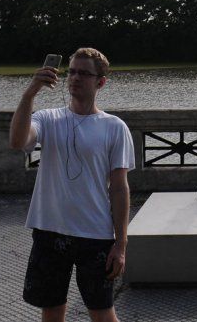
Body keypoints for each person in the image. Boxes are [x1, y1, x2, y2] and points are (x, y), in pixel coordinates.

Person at [9, 48, 135, 322]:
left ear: (100, 82)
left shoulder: (114, 127)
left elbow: (119, 188)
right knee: (51, 311)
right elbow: (18, 142)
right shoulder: (47, 118)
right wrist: (29, 93)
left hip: (95, 234)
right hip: (49, 231)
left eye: (84, 73)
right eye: (72, 71)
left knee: (102, 313)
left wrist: (121, 244)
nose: (75, 78)